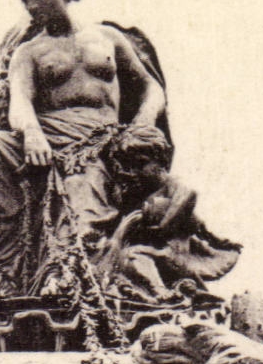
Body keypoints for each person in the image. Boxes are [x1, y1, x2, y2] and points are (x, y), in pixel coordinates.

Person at [0, 0, 166, 296]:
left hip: (98, 139)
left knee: (83, 189)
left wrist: (143, 120)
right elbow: (19, 102)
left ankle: (65, 271)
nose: (31, 5)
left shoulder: (108, 38)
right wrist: (32, 133)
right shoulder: (29, 52)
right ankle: (0, 268)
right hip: (47, 132)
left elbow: (150, 87)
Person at [102, 125, 241, 301]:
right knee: (128, 258)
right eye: (130, 167)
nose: (135, 172)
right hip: (159, 254)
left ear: (162, 160)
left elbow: (190, 198)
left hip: (174, 254)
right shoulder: (144, 194)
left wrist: (161, 226)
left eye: (141, 164)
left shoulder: (173, 187)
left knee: (135, 255)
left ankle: (159, 292)